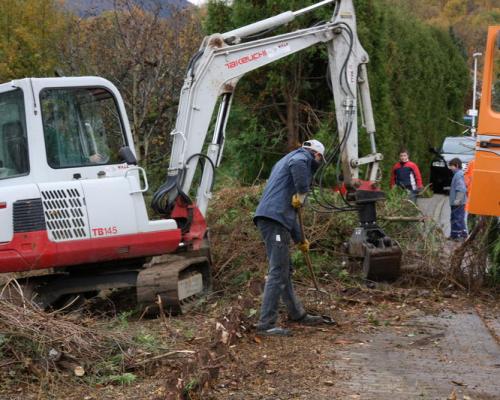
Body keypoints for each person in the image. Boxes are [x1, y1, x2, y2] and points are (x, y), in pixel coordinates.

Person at [253, 139, 328, 336]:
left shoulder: (285, 161)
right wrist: (303, 190)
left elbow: (290, 211)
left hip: (276, 217)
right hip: (273, 218)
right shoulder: (300, 157)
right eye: (319, 161)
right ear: (317, 155)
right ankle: (265, 325)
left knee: (284, 270)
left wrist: (300, 239)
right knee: (278, 270)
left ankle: (297, 314)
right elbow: (299, 165)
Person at [448, 158, 468, 241]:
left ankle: (459, 236)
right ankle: (457, 234)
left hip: (458, 203)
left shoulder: (458, 175)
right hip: (455, 202)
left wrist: (458, 200)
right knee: (455, 218)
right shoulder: (457, 174)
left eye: (451, 166)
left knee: (457, 218)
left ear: (456, 166)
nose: (450, 168)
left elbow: (461, 188)